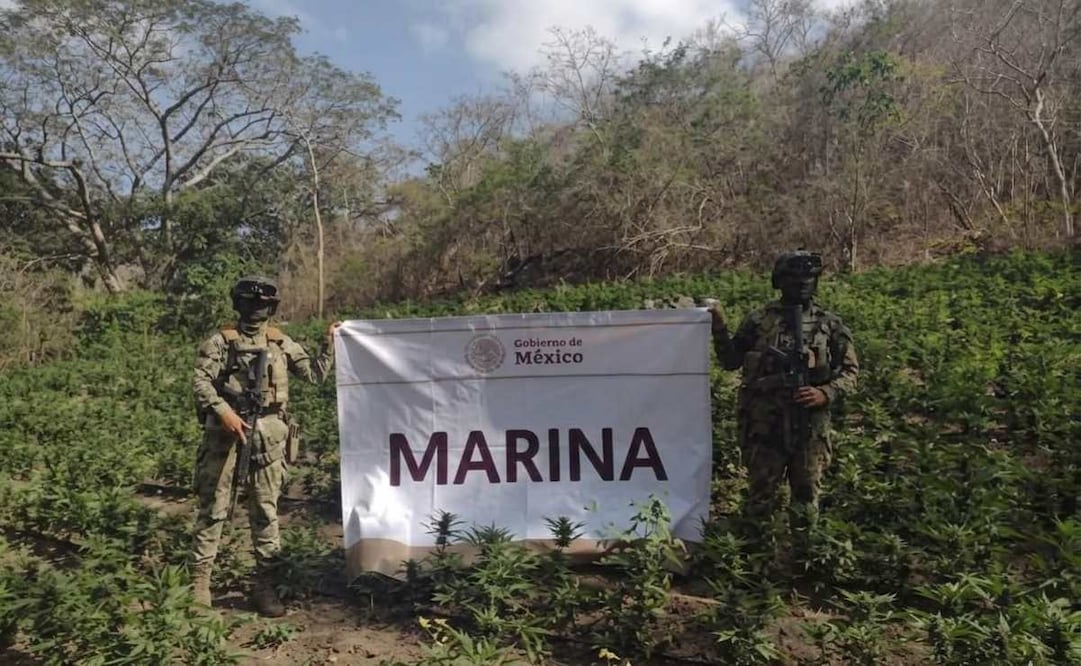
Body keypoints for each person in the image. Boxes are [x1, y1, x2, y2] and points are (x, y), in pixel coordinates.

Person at [190, 275, 340, 616]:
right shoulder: (221, 342)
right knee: (213, 510)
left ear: (271, 308)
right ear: (238, 305)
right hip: (225, 436)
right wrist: (223, 411)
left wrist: (330, 342)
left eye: (262, 304)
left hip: (270, 436)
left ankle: (266, 584)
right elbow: (200, 382)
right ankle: (200, 584)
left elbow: (315, 374)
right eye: (250, 303)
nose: (256, 309)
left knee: (266, 512)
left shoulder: (280, 342)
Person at [706, 252, 858, 533]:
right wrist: (719, 325)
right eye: (795, 279)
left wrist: (825, 392)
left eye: (808, 279)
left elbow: (850, 373)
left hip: (809, 426)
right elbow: (730, 360)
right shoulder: (759, 320)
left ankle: (804, 553)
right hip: (765, 425)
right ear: (780, 281)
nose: (802, 284)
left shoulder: (829, 324)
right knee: (760, 496)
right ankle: (756, 551)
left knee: (806, 497)